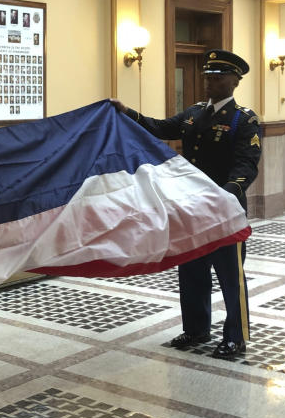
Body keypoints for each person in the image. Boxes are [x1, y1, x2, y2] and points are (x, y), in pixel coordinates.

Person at [111, 49, 261, 359]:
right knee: (192, 272)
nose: (209, 81)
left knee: (230, 277)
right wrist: (127, 112)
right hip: (191, 209)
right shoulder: (194, 113)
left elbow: (247, 164)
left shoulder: (242, 119)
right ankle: (196, 329)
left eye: (217, 77)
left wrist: (226, 192)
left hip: (224, 211)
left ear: (234, 81)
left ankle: (235, 337)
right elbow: (161, 128)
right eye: (208, 76)